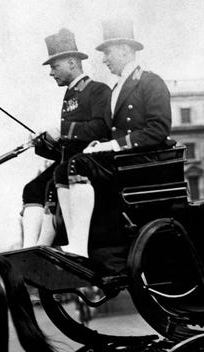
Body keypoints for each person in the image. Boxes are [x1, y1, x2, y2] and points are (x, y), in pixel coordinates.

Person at [53, 19, 172, 258]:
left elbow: (158, 129)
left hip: (142, 161)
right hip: (122, 160)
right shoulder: (117, 87)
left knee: (78, 165)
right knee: (62, 170)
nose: (104, 59)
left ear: (126, 50)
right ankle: (75, 238)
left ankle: (79, 246)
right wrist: (100, 144)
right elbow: (112, 129)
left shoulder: (150, 82)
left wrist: (113, 144)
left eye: (107, 53)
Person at [21, 28, 111, 248]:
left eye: (54, 66)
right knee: (31, 189)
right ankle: (31, 249)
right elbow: (65, 147)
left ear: (72, 62)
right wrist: (42, 142)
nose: (51, 73)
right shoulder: (70, 95)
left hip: (92, 165)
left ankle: (50, 246)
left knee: (54, 181)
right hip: (69, 161)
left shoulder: (98, 90)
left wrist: (63, 130)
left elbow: (101, 128)